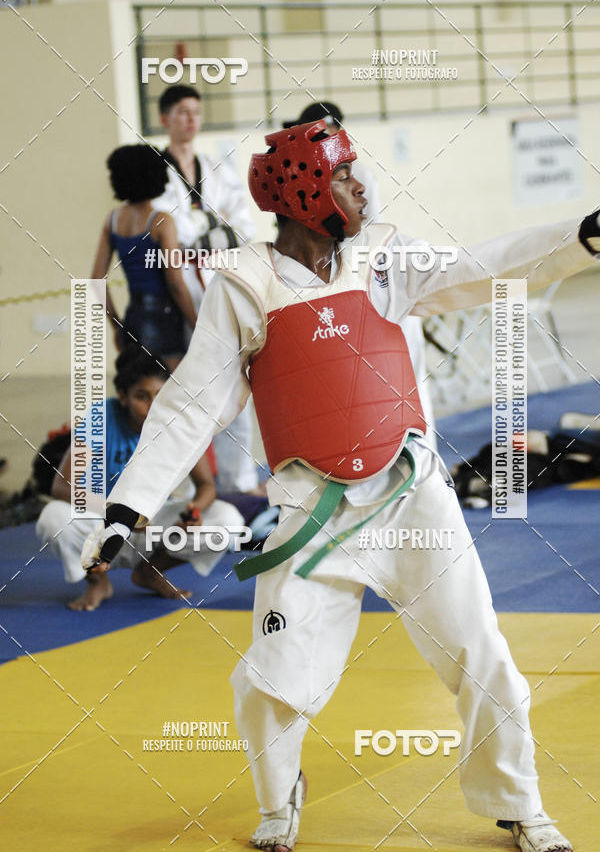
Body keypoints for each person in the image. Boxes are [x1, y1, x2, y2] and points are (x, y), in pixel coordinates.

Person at [81, 121, 596, 851]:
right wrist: (124, 508)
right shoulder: (245, 282)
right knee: (271, 678)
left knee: (481, 649)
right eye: (345, 175)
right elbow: (192, 400)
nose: (362, 186)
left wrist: (581, 236)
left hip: (411, 494)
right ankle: (280, 793)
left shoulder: (384, 256)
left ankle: (517, 800)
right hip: (309, 510)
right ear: (302, 191)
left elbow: (482, 265)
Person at [36, 346, 244, 611]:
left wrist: (195, 511)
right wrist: (120, 512)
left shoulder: (180, 422)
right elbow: (61, 486)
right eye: (141, 397)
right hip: (101, 524)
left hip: (152, 525)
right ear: (123, 397)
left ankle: (151, 571)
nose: (152, 405)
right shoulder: (102, 418)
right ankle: (98, 581)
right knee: (53, 517)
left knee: (228, 521)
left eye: (160, 395)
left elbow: (206, 486)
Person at [284, 100, 437, 450]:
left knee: (406, 372)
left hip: (376, 277)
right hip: (335, 284)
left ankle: (420, 451)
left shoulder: (357, 174)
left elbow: (368, 229)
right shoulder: (302, 176)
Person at [155, 84, 262, 492]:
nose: (190, 119)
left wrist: (214, 231)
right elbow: (169, 229)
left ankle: (240, 479)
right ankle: (187, 485)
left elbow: (242, 222)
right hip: (179, 285)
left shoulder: (215, 165)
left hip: (221, 276)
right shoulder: (156, 171)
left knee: (234, 374)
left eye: (195, 112)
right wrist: (207, 229)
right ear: (165, 118)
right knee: (183, 387)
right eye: (181, 112)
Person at [91, 144, 197, 371]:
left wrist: (117, 326)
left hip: (133, 317)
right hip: (163, 319)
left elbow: (96, 280)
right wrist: (198, 324)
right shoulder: (162, 221)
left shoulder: (112, 219)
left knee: (140, 393)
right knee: (170, 396)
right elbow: (175, 283)